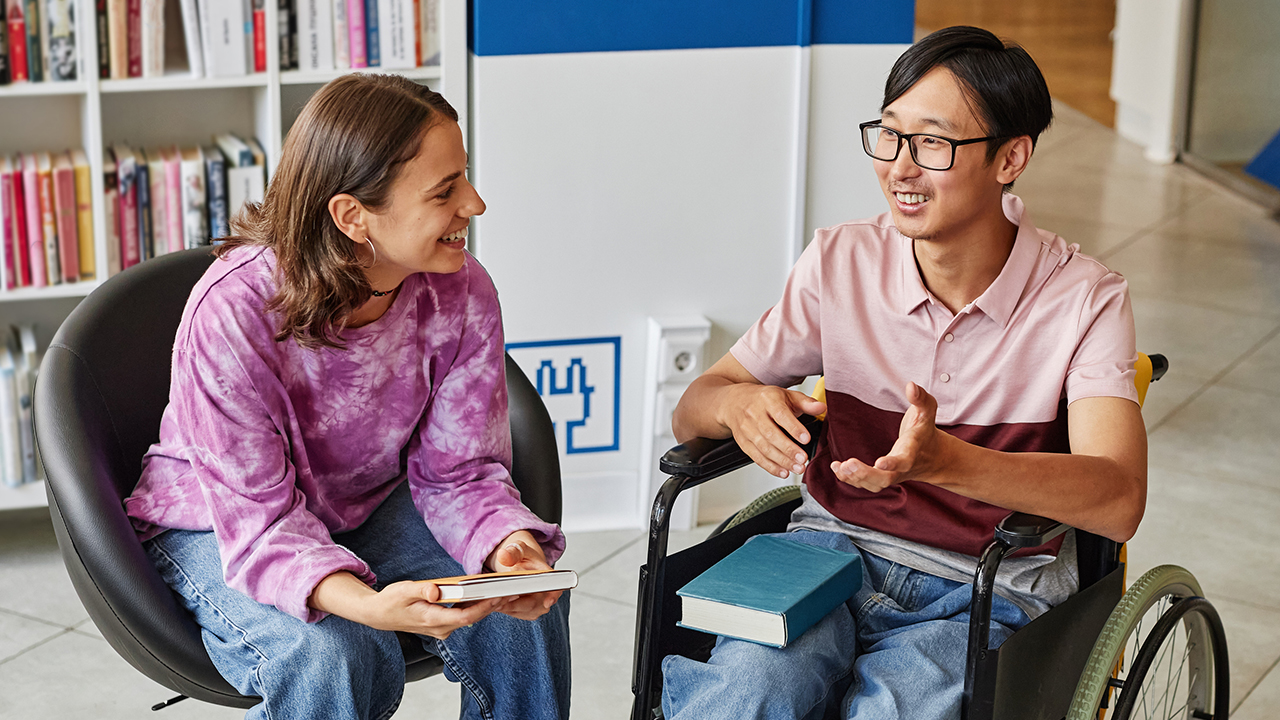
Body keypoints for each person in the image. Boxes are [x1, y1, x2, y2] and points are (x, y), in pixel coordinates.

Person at [661, 26, 1146, 720]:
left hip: (989, 586)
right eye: (888, 135)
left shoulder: (1084, 300)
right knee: (741, 694)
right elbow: (696, 404)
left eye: (933, 144)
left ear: (1012, 157)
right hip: (827, 553)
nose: (899, 167)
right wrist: (738, 406)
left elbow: (1120, 497)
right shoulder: (840, 262)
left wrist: (948, 463)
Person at [123, 74, 570, 720]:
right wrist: (368, 607)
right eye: (445, 192)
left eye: (464, 179)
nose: (474, 204)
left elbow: (460, 471)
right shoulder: (234, 312)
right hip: (214, 523)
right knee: (339, 653)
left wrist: (506, 547)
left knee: (518, 613)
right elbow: (260, 524)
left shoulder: (464, 292)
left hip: (362, 507)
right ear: (353, 216)